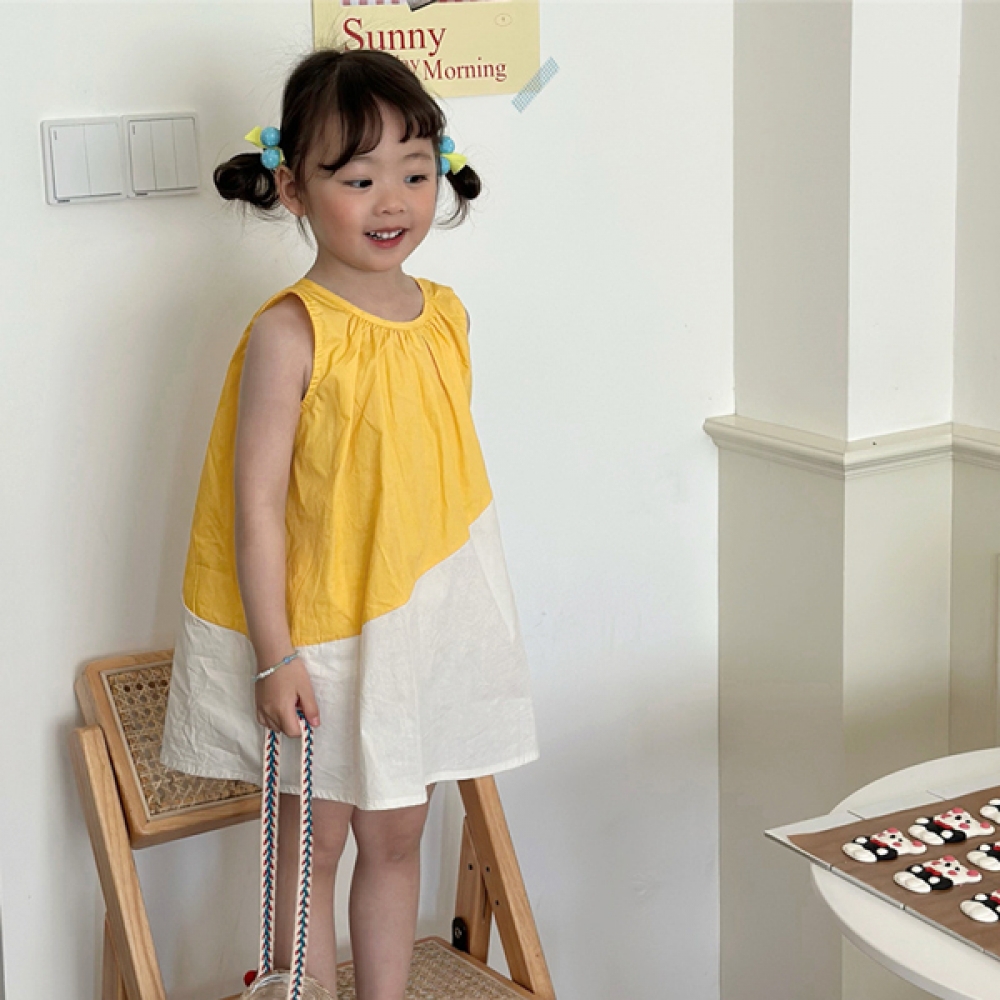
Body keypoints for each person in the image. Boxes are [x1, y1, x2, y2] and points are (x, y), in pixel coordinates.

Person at [160, 47, 539, 1000]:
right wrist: (274, 655)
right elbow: (255, 506)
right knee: (313, 846)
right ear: (293, 188)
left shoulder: (446, 317)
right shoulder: (291, 329)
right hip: (319, 640)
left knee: (397, 837)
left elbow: (430, 487)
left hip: (416, 632)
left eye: (414, 171)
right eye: (358, 178)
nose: (392, 201)